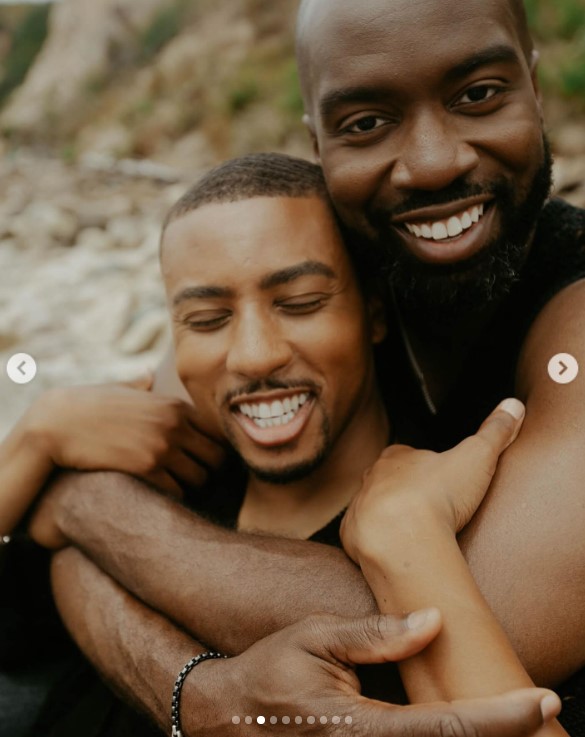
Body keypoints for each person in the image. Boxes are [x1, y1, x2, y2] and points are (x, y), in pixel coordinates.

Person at [22, 0, 585, 728]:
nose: (432, 161)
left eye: (476, 95)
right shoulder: (329, 258)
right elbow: (106, 524)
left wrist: (81, 504)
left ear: (535, 90)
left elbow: (472, 625)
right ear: (318, 143)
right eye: (365, 123)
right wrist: (195, 693)